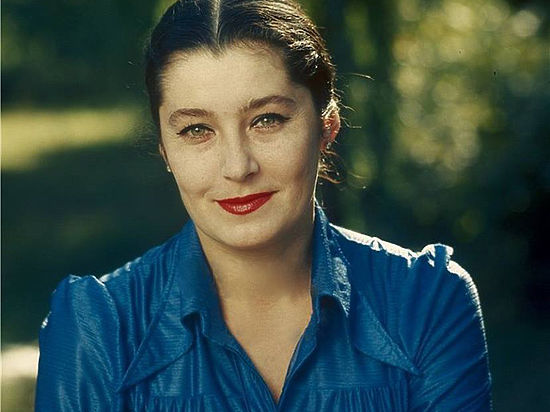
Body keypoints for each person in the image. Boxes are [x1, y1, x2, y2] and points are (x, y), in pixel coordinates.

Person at [35, 0, 492, 410]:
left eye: (267, 120)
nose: (237, 167)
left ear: (327, 127)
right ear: (165, 151)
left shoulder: (425, 300)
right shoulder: (98, 326)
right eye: (197, 130)